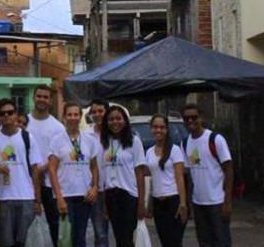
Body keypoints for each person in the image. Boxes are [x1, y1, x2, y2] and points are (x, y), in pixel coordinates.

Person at [0, 99, 42, 247]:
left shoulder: (27, 137)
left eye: (10, 113)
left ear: (16, 115)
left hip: (26, 197)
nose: (6, 116)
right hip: (2, 198)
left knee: (24, 241)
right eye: (2, 113)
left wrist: (37, 200)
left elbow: (35, 170)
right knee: (5, 242)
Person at [181, 104, 233, 247]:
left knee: (221, 241)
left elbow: (228, 169)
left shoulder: (215, 139)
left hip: (217, 201)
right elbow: (189, 175)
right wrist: (189, 203)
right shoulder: (185, 143)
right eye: (187, 118)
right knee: (204, 242)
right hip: (199, 203)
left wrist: (227, 202)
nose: (191, 121)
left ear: (201, 118)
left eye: (194, 117)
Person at [49, 103, 98, 247]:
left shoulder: (89, 139)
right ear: (64, 117)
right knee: (66, 238)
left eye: (76, 114)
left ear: (80, 117)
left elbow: (94, 167)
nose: (73, 118)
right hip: (65, 196)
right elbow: (52, 170)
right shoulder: (57, 141)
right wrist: (59, 197)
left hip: (84, 196)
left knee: (80, 237)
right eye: (69, 114)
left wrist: (94, 187)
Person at [100, 106, 146, 247]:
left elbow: (140, 173)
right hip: (110, 195)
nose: (115, 122)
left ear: (125, 121)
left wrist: (141, 203)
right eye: (111, 119)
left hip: (128, 196)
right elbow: (102, 172)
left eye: (118, 118)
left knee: (126, 239)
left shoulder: (134, 141)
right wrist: (104, 204)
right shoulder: (104, 142)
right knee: (119, 237)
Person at [28, 85, 65, 246]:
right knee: (27, 225)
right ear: (33, 98)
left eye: (45, 97)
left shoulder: (57, 127)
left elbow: (61, 155)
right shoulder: (24, 122)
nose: (42, 100)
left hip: (50, 183)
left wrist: (43, 168)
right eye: (39, 96)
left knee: (55, 224)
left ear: (50, 100)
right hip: (26, 183)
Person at [145, 114, 188, 247]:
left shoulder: (175, 150)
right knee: (164, 241)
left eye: (162, 127)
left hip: (173, 202)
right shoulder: (149, 152)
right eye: (155, 127)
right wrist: (150, 203)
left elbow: (180, 177)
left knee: (174, 242)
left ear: (167, 129)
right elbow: (151, 179)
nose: (158, 130)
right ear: (151, 128)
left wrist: (183, 203)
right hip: (158, 203)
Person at [86, 99, 110, 247]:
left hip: (115, 189)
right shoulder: (86, 134)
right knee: (100, 232)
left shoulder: (116, 133)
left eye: (100, 111)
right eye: (94, 112)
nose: (97, 114)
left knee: (123, 232)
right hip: (96, 190)